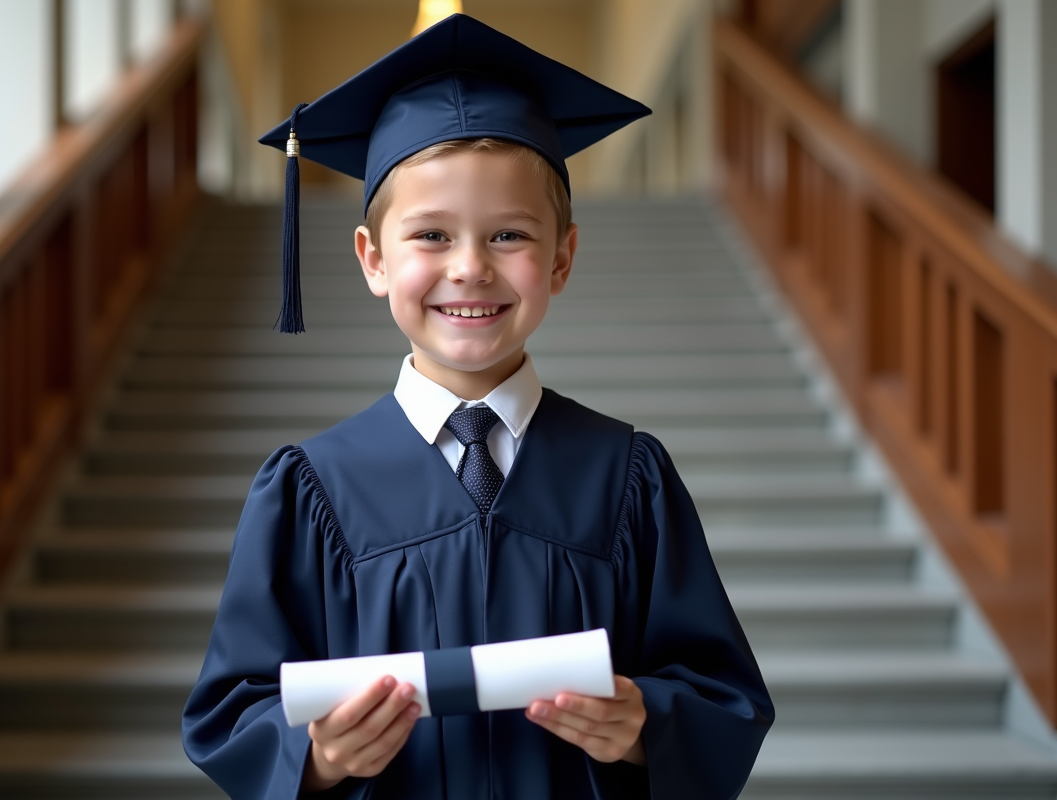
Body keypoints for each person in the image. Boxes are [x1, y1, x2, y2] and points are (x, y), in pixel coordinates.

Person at [182, 13, 774, 799]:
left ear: (561, 258)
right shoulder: (309, 489)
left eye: (508, 237)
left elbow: (721, 695)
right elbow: (231, 711)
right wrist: (319, 758)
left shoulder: (629, 478)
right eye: (430, 234)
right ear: (373, 259)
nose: (469, 268)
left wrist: (643, 724)